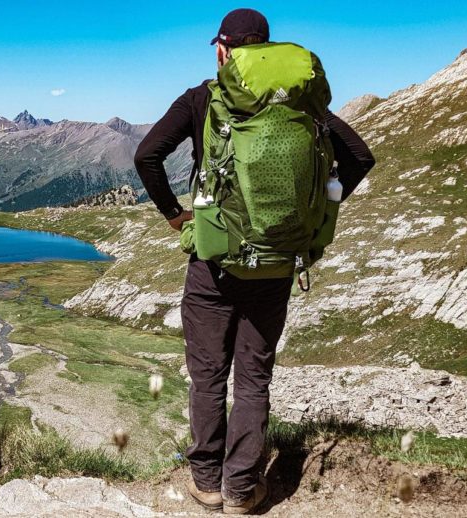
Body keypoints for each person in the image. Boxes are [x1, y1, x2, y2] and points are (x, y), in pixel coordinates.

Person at [134, 8, 374, 515]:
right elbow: (359, 156)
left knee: (208, 375)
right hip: (277, 265)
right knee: (253, 379)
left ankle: (208, 483)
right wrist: (317, 211)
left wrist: (176, 215)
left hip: (212, 264)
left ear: (224, 50)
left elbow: (147, 156)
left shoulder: (202, 98)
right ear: (265, 50)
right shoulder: (303, 107)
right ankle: (243, 490)